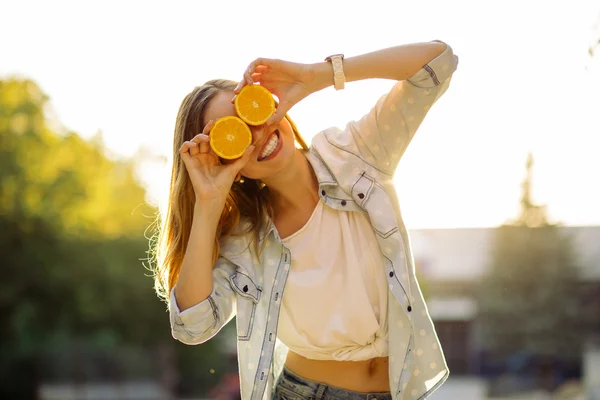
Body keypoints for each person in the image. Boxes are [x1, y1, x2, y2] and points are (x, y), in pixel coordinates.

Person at [154, 40, 459, 400]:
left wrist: (318, 76)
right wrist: (207, 203)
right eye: (232, 134)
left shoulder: (353, 154)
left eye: (251, 110)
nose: (257, 132)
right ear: (225, 160)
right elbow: (193, 326)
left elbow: (438, 62)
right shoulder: (245, 239)